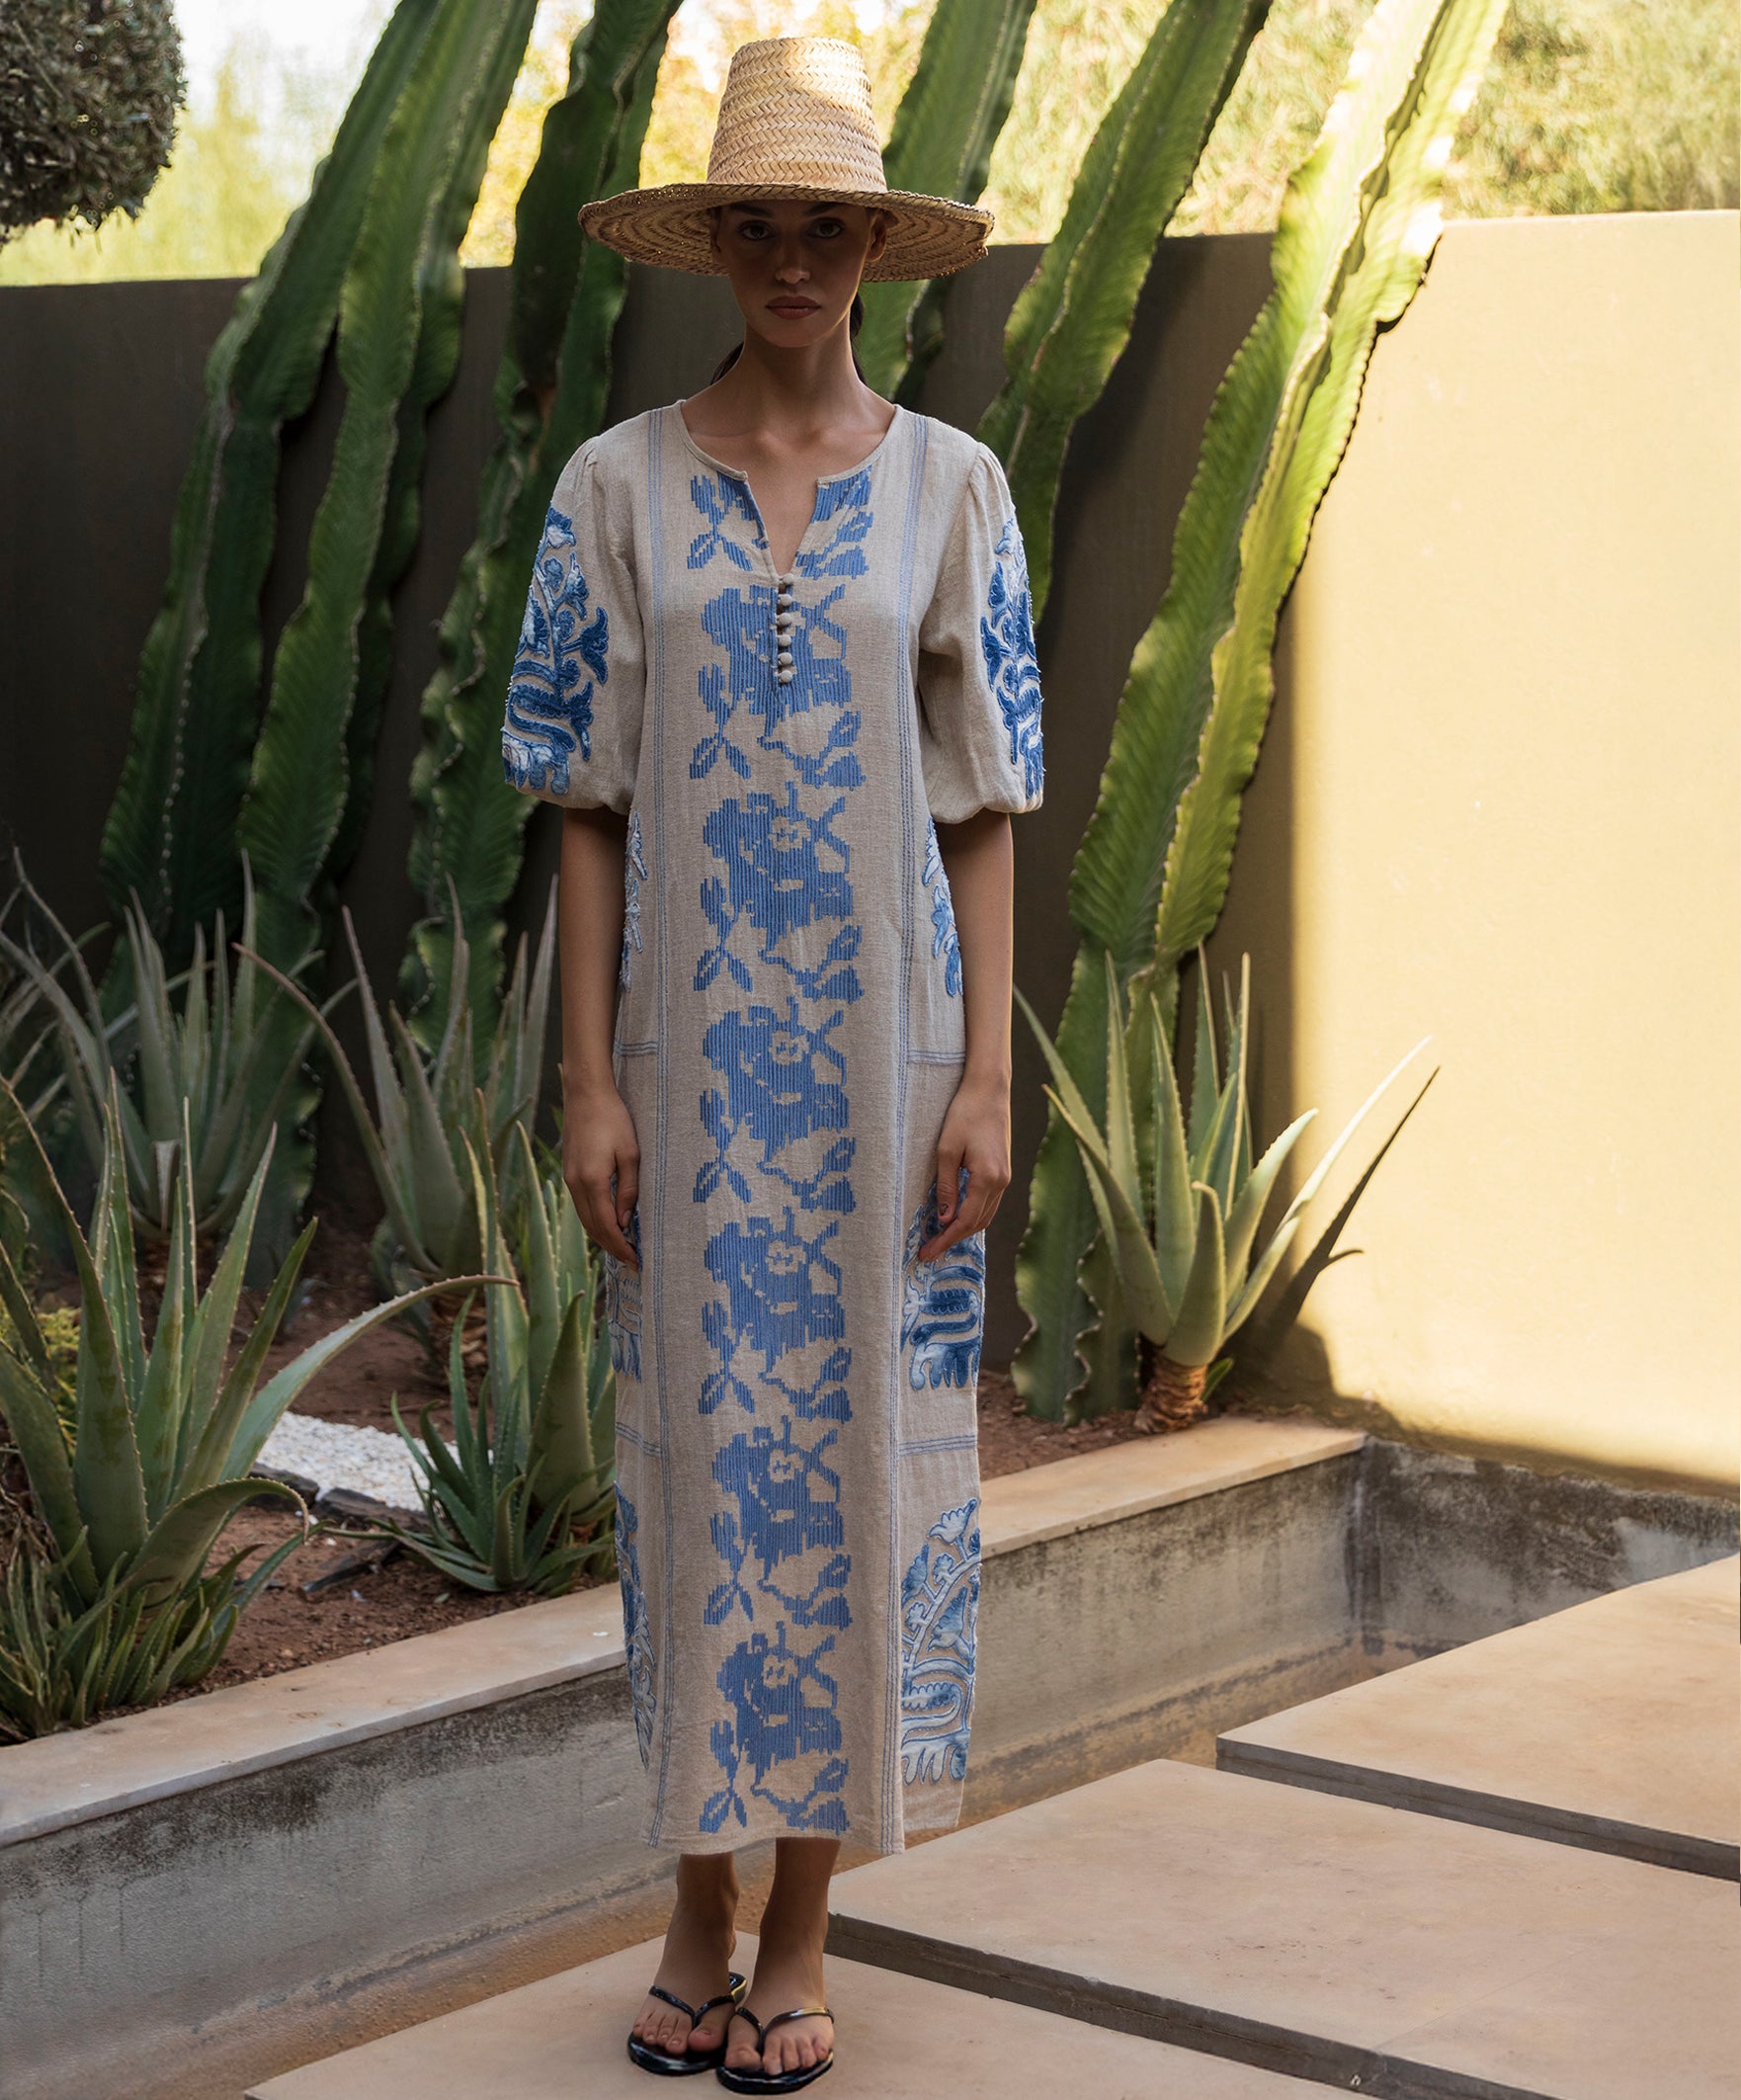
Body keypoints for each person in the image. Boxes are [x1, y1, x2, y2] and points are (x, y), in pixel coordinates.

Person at [501, 35, 1044, 2092]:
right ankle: (689, 1900)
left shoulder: (954, 489)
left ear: (874, 250)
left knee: (857, 1473)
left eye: (827, 225)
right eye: (760, 224)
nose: (794, 256)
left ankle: (801, 1920)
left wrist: (981, 1075)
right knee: (697, 1471)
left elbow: (984, 803)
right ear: (716, 243)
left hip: (886, 1080)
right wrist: (589, 1082)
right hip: (688, 1073)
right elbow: (583, 804)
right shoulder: (612, 488)